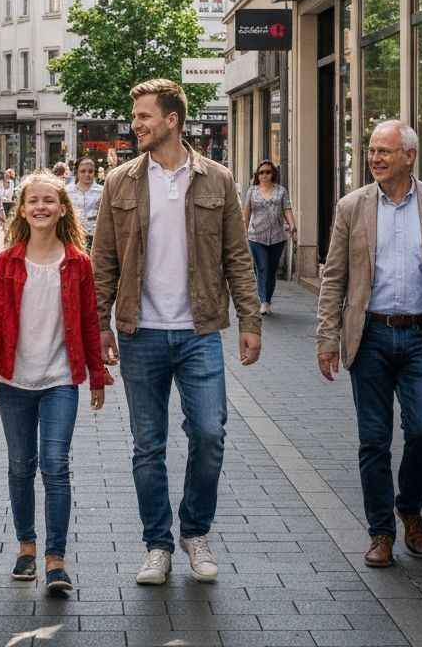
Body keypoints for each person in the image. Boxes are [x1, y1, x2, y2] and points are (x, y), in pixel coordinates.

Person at [92, 78, 262, 585]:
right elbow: (104, 260)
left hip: (199, 331)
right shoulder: (120, 181)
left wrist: (250, 320)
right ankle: (157, 545)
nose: (135, 124)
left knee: (209, 433)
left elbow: (237, 256)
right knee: (148, 445)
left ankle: (195, 530)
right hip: (140, 332)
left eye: (144, 116)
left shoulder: (217, 179)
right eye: (135, 116)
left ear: (172, 120)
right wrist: (100, 324)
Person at [315, 120, 422, 569]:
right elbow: (333, 278)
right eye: (371, 150)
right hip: (370, 336)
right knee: (374, 440)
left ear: (409, 156)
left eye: (384, 151)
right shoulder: (352, 207)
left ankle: (410, 507)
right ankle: (381, 531)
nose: (375, 158)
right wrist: (327, 338)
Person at [0, 172, 105, 594]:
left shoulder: (78, 263)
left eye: (49, 200)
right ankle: (26, 548)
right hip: (14, 380)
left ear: (63, 209)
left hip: (60, 381)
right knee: (20, 465)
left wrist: (97, 376)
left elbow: (89, 324)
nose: (41, 207)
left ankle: (56, 560)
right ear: (22, 209)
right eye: (33, 201)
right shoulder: (8, 261)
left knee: (55, 464)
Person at [241, 159, 298, 316]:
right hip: (256, 236)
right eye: (261, 172)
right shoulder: (252, 191)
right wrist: (245, 233)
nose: (264, 175)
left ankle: (268, 299)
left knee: (271, 270)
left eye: (268, 172)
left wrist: (293, 227)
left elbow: (287, 209)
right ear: (257, 175)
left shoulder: (281, 191)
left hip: (277, 237)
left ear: (273, 174)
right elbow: (246, 213)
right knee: (262, 268)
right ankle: (263, 302)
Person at [69, 157, 103, 251]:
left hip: (97, 237)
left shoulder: (103, 191)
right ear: (77, 172)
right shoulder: (67, 191)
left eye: (90, 171)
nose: (87, 174)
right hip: (73, 236)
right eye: (83, 171)